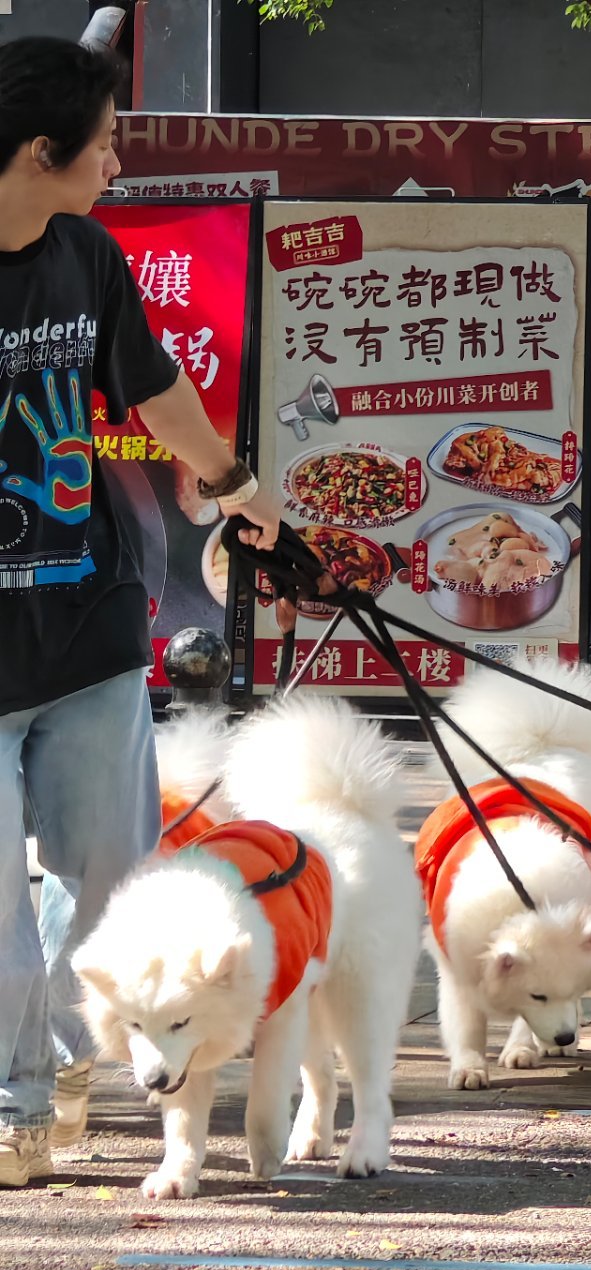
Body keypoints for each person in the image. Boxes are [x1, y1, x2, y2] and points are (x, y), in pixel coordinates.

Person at [0, 36, 282, 1187]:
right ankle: (15, 1106)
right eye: (106, 142)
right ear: (40, 150)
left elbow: (152, 385)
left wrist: (235, 485)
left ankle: (72, 1060)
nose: (116, 163)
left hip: (92, 632)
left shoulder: (86, 255)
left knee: (110, 884)